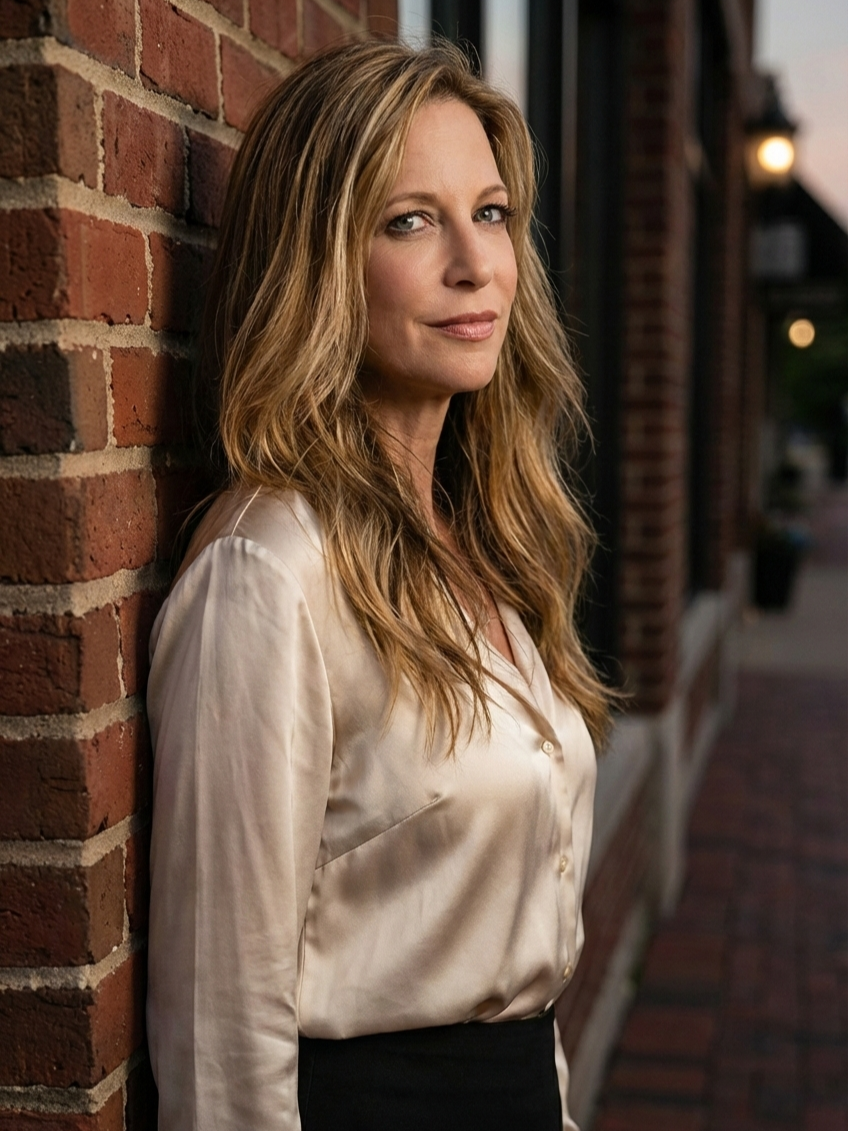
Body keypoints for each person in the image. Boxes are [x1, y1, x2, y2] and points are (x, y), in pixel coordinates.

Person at [146, 37, 612, 1131]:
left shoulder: (485, 543)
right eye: (409, 222)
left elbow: (520, 962)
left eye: (491, 213)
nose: (476, 263)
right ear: (319, 263)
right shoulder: (270, 569)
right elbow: (220, 1037)